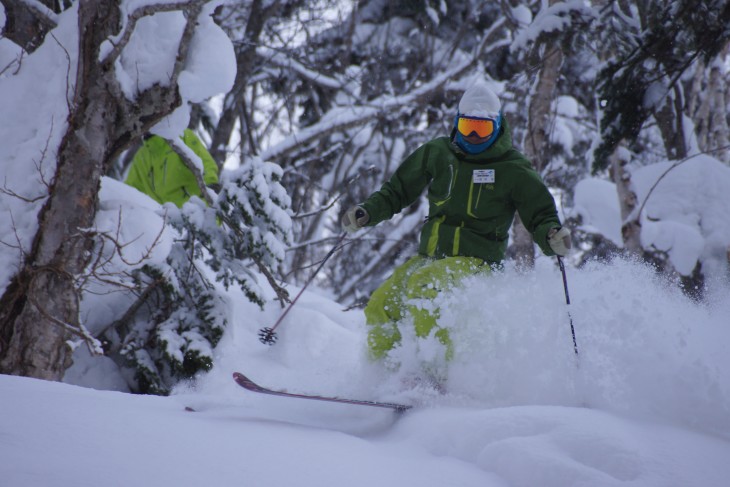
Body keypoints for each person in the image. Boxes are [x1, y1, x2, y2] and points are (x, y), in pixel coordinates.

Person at [341, 80, 571, 371]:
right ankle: (382, 377)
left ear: (497, 126)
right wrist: (367, 212)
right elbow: (397, 191)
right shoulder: (438, 153)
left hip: (478, 262)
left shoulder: (512, 168)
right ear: (456, 124)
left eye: (482, 128)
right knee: (381, 304)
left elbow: (540, 212)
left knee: (426, 290)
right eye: (467, 127)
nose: (474, 136)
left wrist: (551, 235)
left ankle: (434, 378)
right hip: (431, 258)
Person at [125, 129, 219, 208]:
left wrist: (210, 187)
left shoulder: (183, 137)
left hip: (195, 215)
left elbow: (206, 164)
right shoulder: (142, 157)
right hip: (165, 224)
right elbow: (129, 192)